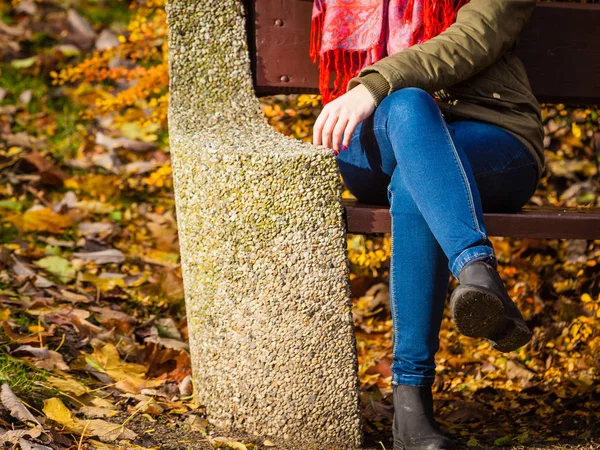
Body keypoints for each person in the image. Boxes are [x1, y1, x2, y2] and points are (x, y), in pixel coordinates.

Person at [310, 0, 544, 448]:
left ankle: (411, 411)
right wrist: (377, 94)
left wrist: (375, 84)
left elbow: (471, 40)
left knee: (417, 176)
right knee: (409, 107)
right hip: (375, 136)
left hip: (492, 137)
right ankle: (477, 271)